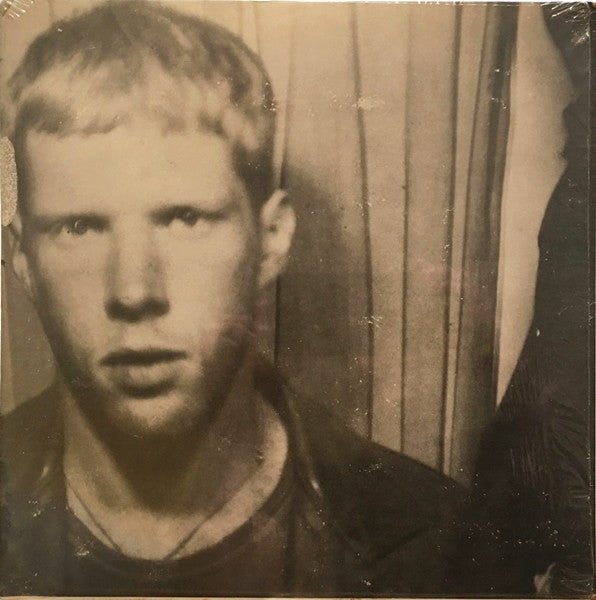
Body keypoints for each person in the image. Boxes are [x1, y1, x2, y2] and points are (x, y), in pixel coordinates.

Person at [1, 1, 463, 595]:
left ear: (271, 240)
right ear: (22, 258)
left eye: (185, 218)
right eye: (80, 227)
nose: (134, 291)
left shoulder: (439, 545)